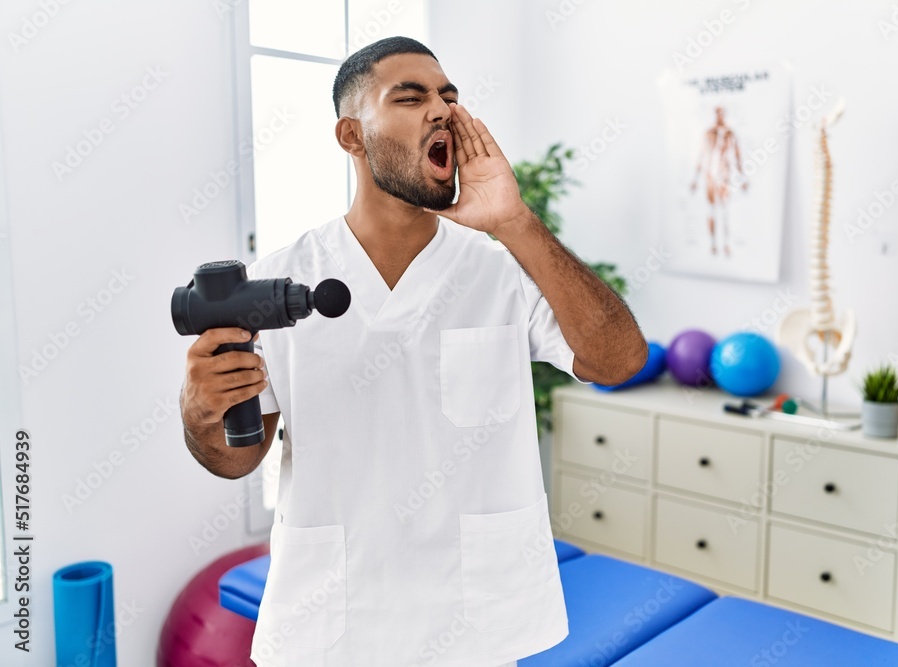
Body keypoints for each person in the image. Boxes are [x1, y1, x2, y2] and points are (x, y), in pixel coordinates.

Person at [179, 36, 647, 667]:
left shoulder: (503, 269)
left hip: (473, 628)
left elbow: (618, 361)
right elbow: (235, 463)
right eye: (412, 96)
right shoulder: (279, 280)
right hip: (332, 626)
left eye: (450, 96)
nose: (443, 110)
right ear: (351, 135)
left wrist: (515, 220)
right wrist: (201, 412)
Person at [690, 105, 748, 257]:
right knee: (711, 210)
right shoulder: (709, 133)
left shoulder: (730, 133)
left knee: (724, 210)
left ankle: (726, 244)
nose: (720, 115)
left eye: (722, 112)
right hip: (710, 174)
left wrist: (742, 177)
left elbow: (737, 155)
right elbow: (702, 155)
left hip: (724, 174)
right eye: (718, 112)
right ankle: (713, 244)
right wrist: (695, 179)